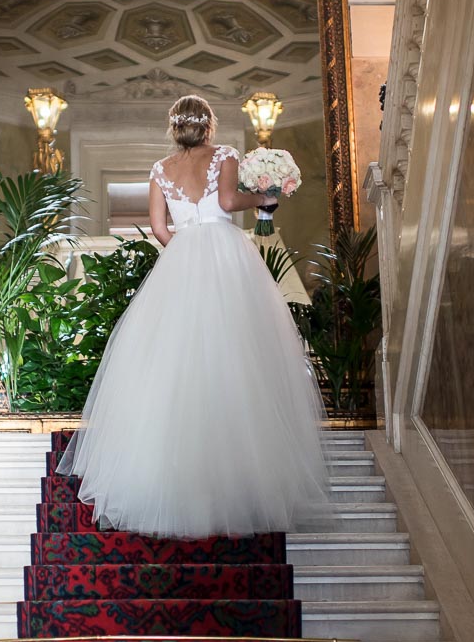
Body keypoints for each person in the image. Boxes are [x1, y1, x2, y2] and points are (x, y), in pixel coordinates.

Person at [57, 95, 329, 536]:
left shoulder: (161, 168)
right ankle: (239, 482)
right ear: (209, 126)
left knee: (173, 364)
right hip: (225, 254)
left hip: (181, 258)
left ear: (174, 127)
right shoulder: (224, 154)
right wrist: (264, 196)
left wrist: (184, 251)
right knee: (238, 355)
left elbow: (160, 227)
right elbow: (225, 200)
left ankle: (169, 480)